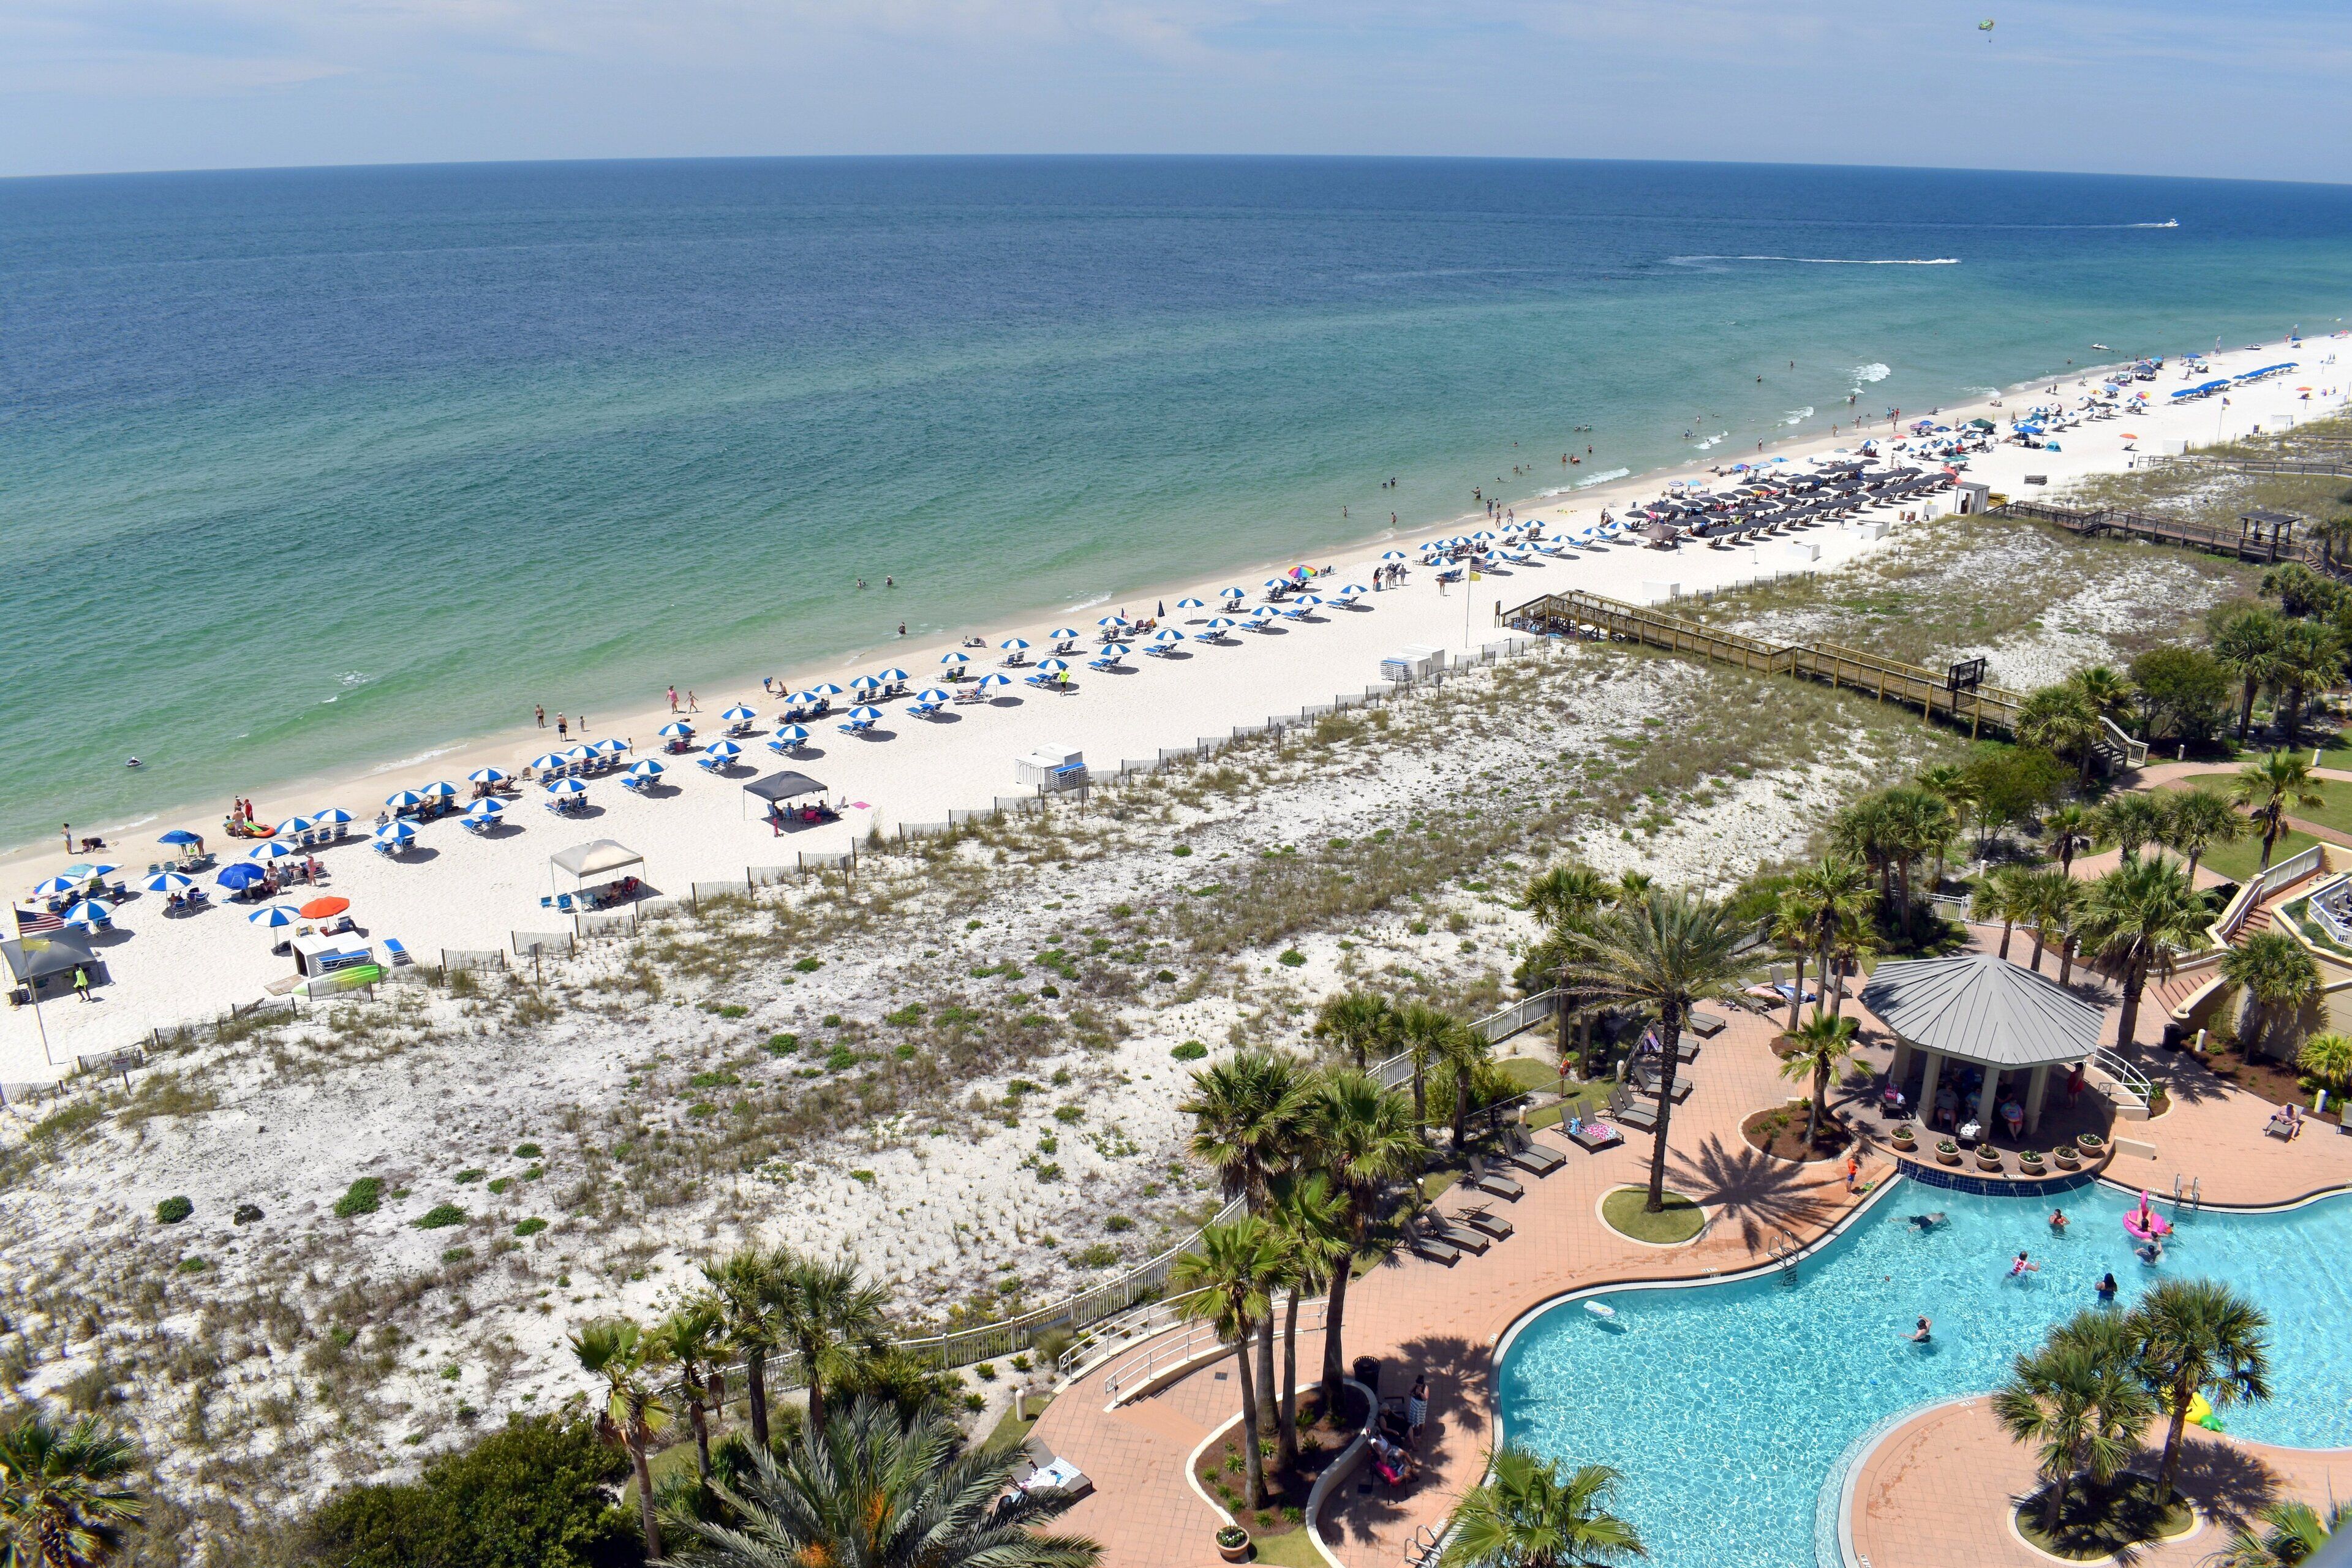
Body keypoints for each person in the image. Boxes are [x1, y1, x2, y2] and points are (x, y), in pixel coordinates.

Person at [1406, 1375, 1428, 1443]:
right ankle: (1411, 1430)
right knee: (1412, 1417)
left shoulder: (1426, 1388)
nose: (1419, 1386)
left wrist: (1421, 1393)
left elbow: (1426, 1398)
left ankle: (1421, 1434)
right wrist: (1413, 1394)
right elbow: (1409, 1392)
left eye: (1420, 1385)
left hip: (1421, 1406)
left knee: (1421, 1420)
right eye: (1418, 1384)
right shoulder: (1415, 1385)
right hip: (1414, 1405)